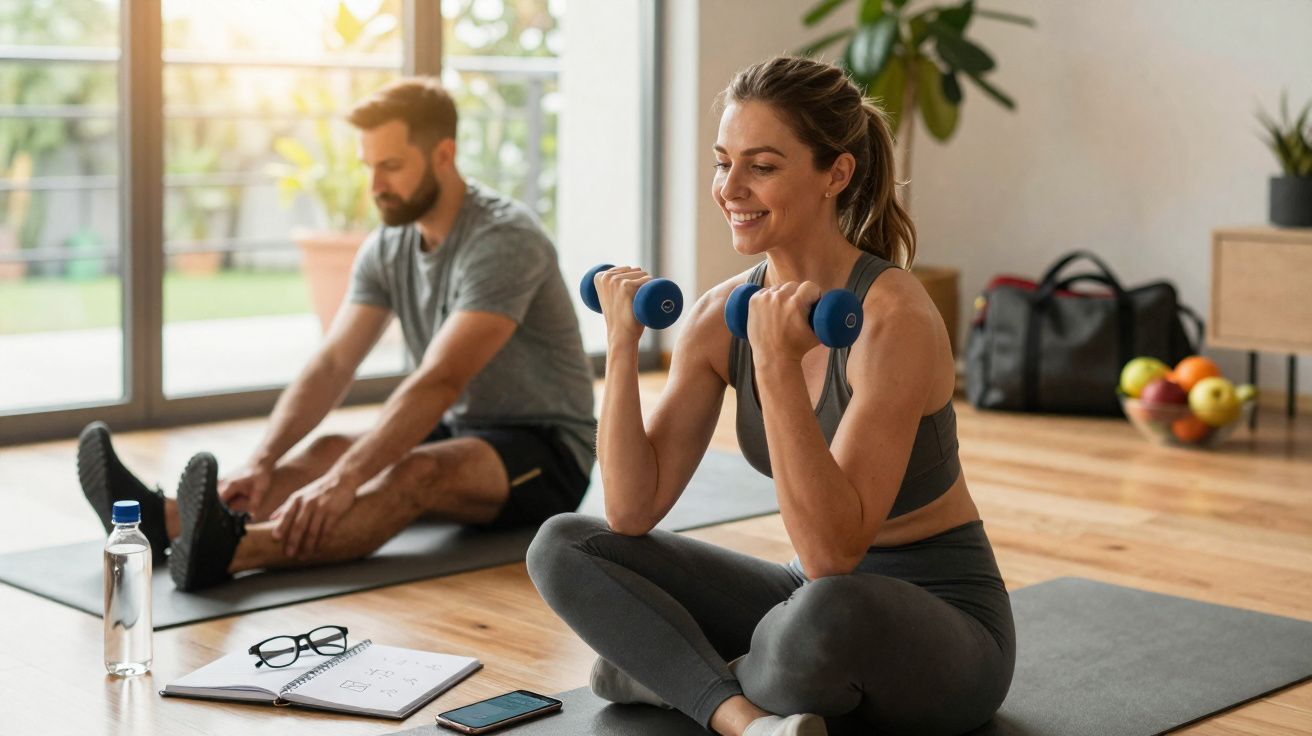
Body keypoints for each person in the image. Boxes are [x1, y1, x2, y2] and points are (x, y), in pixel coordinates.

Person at [526, 56, 1015, 736]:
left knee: (822, 616)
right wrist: (620, 344)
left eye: (762, 166)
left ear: (835, 175)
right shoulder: (717, 315)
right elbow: (632, 510)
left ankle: (666, 675)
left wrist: (777, 367)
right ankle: (738, 714)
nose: (731, 188)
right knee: (563, 545)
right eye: (723, 162)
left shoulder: (892, 317)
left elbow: (832, 556)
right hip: (805, 602)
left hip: (939, 619)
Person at [77, 77, 596, 592]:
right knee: (326, 449)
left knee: (410, 473)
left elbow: (442, 378)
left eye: (390, 166)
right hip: (461, 427)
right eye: (369, 166)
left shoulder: (504, 240)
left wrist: (346, 481)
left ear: (444, 154)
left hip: (547, 449)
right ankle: (162, 520)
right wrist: (263, 459)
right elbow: (332, 365)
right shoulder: (389, 245)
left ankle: (230, 550)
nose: (375, 186)